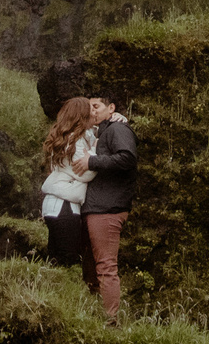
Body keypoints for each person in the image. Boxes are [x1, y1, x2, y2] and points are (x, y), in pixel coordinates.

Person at [80, 94, 137, 322]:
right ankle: (98, 316)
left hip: (107, 208)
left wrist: (91, 162)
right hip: (98, 207)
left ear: (111, 107)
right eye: (89, 108)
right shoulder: (102, 132)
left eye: (96, 106)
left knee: (105, 267)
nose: (92, 111)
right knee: (93, 267)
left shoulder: (117, 129)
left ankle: (111, 321)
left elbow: (127, 158)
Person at [39, 96, 98, 292]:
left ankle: (50, 296)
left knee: (56, 258)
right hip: (65, 206)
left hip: (54, 205)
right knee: (69, 259)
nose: (94, 113)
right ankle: (65, 298)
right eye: (90, 110)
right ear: (81, 116)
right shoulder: (75, 140)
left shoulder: (66, 137)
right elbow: (86, 172)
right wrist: (95, 155)